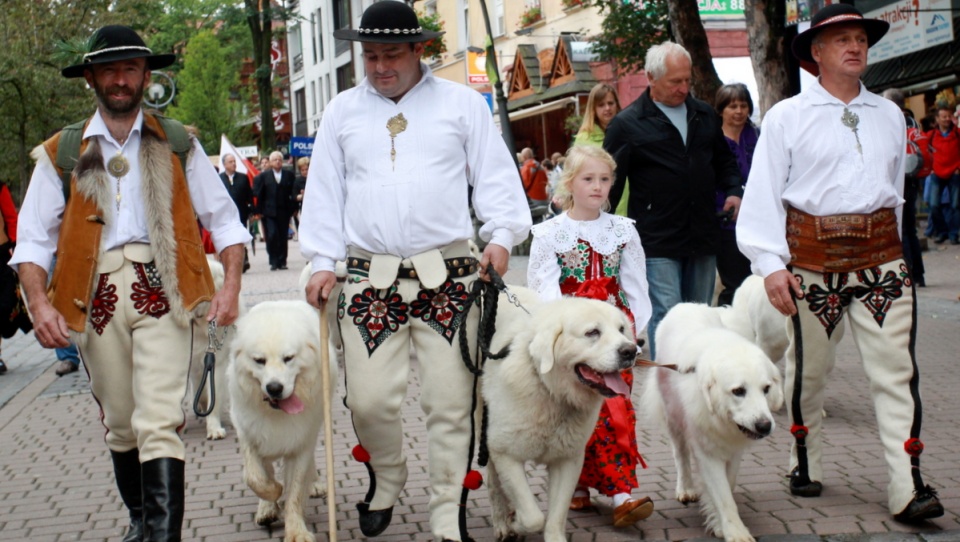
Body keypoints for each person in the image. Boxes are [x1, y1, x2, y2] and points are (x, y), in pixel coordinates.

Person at [300, 2, 531, 540]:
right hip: (366, 277)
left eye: (391, 55)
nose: (380, 66)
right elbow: (325, 193)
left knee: (452, 403)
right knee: (369, 398)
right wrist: (318, 260)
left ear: (418, 50)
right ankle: (387, 472)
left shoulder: (461, 105)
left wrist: (500, 238)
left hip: (449, 274)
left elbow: (496, 179)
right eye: (371, 55)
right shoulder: (340, 112)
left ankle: (447, 512)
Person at [9, 25, 249, 541]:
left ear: (146, 75)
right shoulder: (63, 152)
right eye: (110, 70)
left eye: (131, 69)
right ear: (92, 77)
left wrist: (229, 286)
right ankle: (143, 521)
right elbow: (31, 240)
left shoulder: (178, 142)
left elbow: (226, 221)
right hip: (92, 300)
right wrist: (38, 304)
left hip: (163, 291)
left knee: (159, 420)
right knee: (122, 423)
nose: (121, 80)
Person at [736, 4, 944, 523]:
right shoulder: (786, 117)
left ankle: (907, 484)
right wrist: (770, 263)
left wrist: (898, 253)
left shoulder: (891, 114)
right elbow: (763, 196)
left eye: (861, 38)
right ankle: (805, 460)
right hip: (810, 263)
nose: (856, 46)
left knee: (897, 375)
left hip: (882, 263)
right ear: (816, 53)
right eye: (842, 39)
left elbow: (895, 193)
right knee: (809, 373)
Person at [527, 145, 654, 527]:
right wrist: (562, 334)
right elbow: (543, 291)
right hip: (578, 335)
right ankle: (578, 488)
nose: (597, 186)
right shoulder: (550, 234)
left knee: (616, 407)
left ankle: (621, 492)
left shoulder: (623, 231)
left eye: (604, 179)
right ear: (570, 183)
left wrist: (635, 331)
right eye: (588, 179)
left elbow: (636, 285)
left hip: (615, 331)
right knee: (574, 411)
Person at [604, 41, 742, 359]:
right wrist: (600, 224)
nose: (683, 88)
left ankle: (694, 383)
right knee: (667, 313)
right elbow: (611, 180)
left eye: (687, 80)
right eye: (674, 82)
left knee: (699, 314)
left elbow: (724, 162)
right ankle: (667, 388)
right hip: (657, 238)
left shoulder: (704, 114)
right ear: (652, 77)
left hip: (703, 232)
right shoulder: (627, 124)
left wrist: (734, 190)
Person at [714, 83, 758, 306]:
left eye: (743, 105)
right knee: (734, 284)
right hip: (727, 221)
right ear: (721, 110)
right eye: (732, 106)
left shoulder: (758, 136)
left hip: (758, 220)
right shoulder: (713, 140)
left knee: (756, 282)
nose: (739, 111)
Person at [882, 88, 929, 287]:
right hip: (912, 178)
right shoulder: (912, 121)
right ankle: (919, 274)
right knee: (910, 228)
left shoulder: (891, 121)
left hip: (899, 179)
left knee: (902, 228)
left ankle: (907, 272)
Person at [252, 151, 295, 271]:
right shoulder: (264, 176)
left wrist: (293, 209)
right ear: (270, 162)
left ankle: (282, 261)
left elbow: (292, 192)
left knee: (282, 236)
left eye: (280, 160)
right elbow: (258, 194)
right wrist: (257, 211)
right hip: (268, 211)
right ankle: (273, 260)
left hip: (283, 211)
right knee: (272, 235)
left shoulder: (288, 175)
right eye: (275, 160)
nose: (277, 162)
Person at [925, 106, 960, 244]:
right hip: (936, 173)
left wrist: (958, 167)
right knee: (934, 205)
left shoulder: (957, 133)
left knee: (956, 206)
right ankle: (942, 232)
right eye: (943, 116)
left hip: (955, 173)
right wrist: (930, 168)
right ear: (937, 119)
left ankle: (953, 234)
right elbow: (924, 151)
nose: (946, 119)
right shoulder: (931, 135)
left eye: (948, 116)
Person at [219, 153, 254, 273]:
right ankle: (231, 262)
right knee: (229, 240)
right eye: (230, 162)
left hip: (241, 214)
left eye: (234, 161)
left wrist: (251, 211)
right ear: (224, 164)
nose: (234, 164)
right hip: (225, 216)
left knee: (241, 238)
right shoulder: (219, 178)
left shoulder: (243, 177)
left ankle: (244, 260)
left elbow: (249, 196)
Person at [293, 156, 309, 231]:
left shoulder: (315, 179)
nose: (305, 172)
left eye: (306, 169)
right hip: (304, 208)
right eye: (302, 170)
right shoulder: (298, 181)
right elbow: (294, 196)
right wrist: (302, 195)